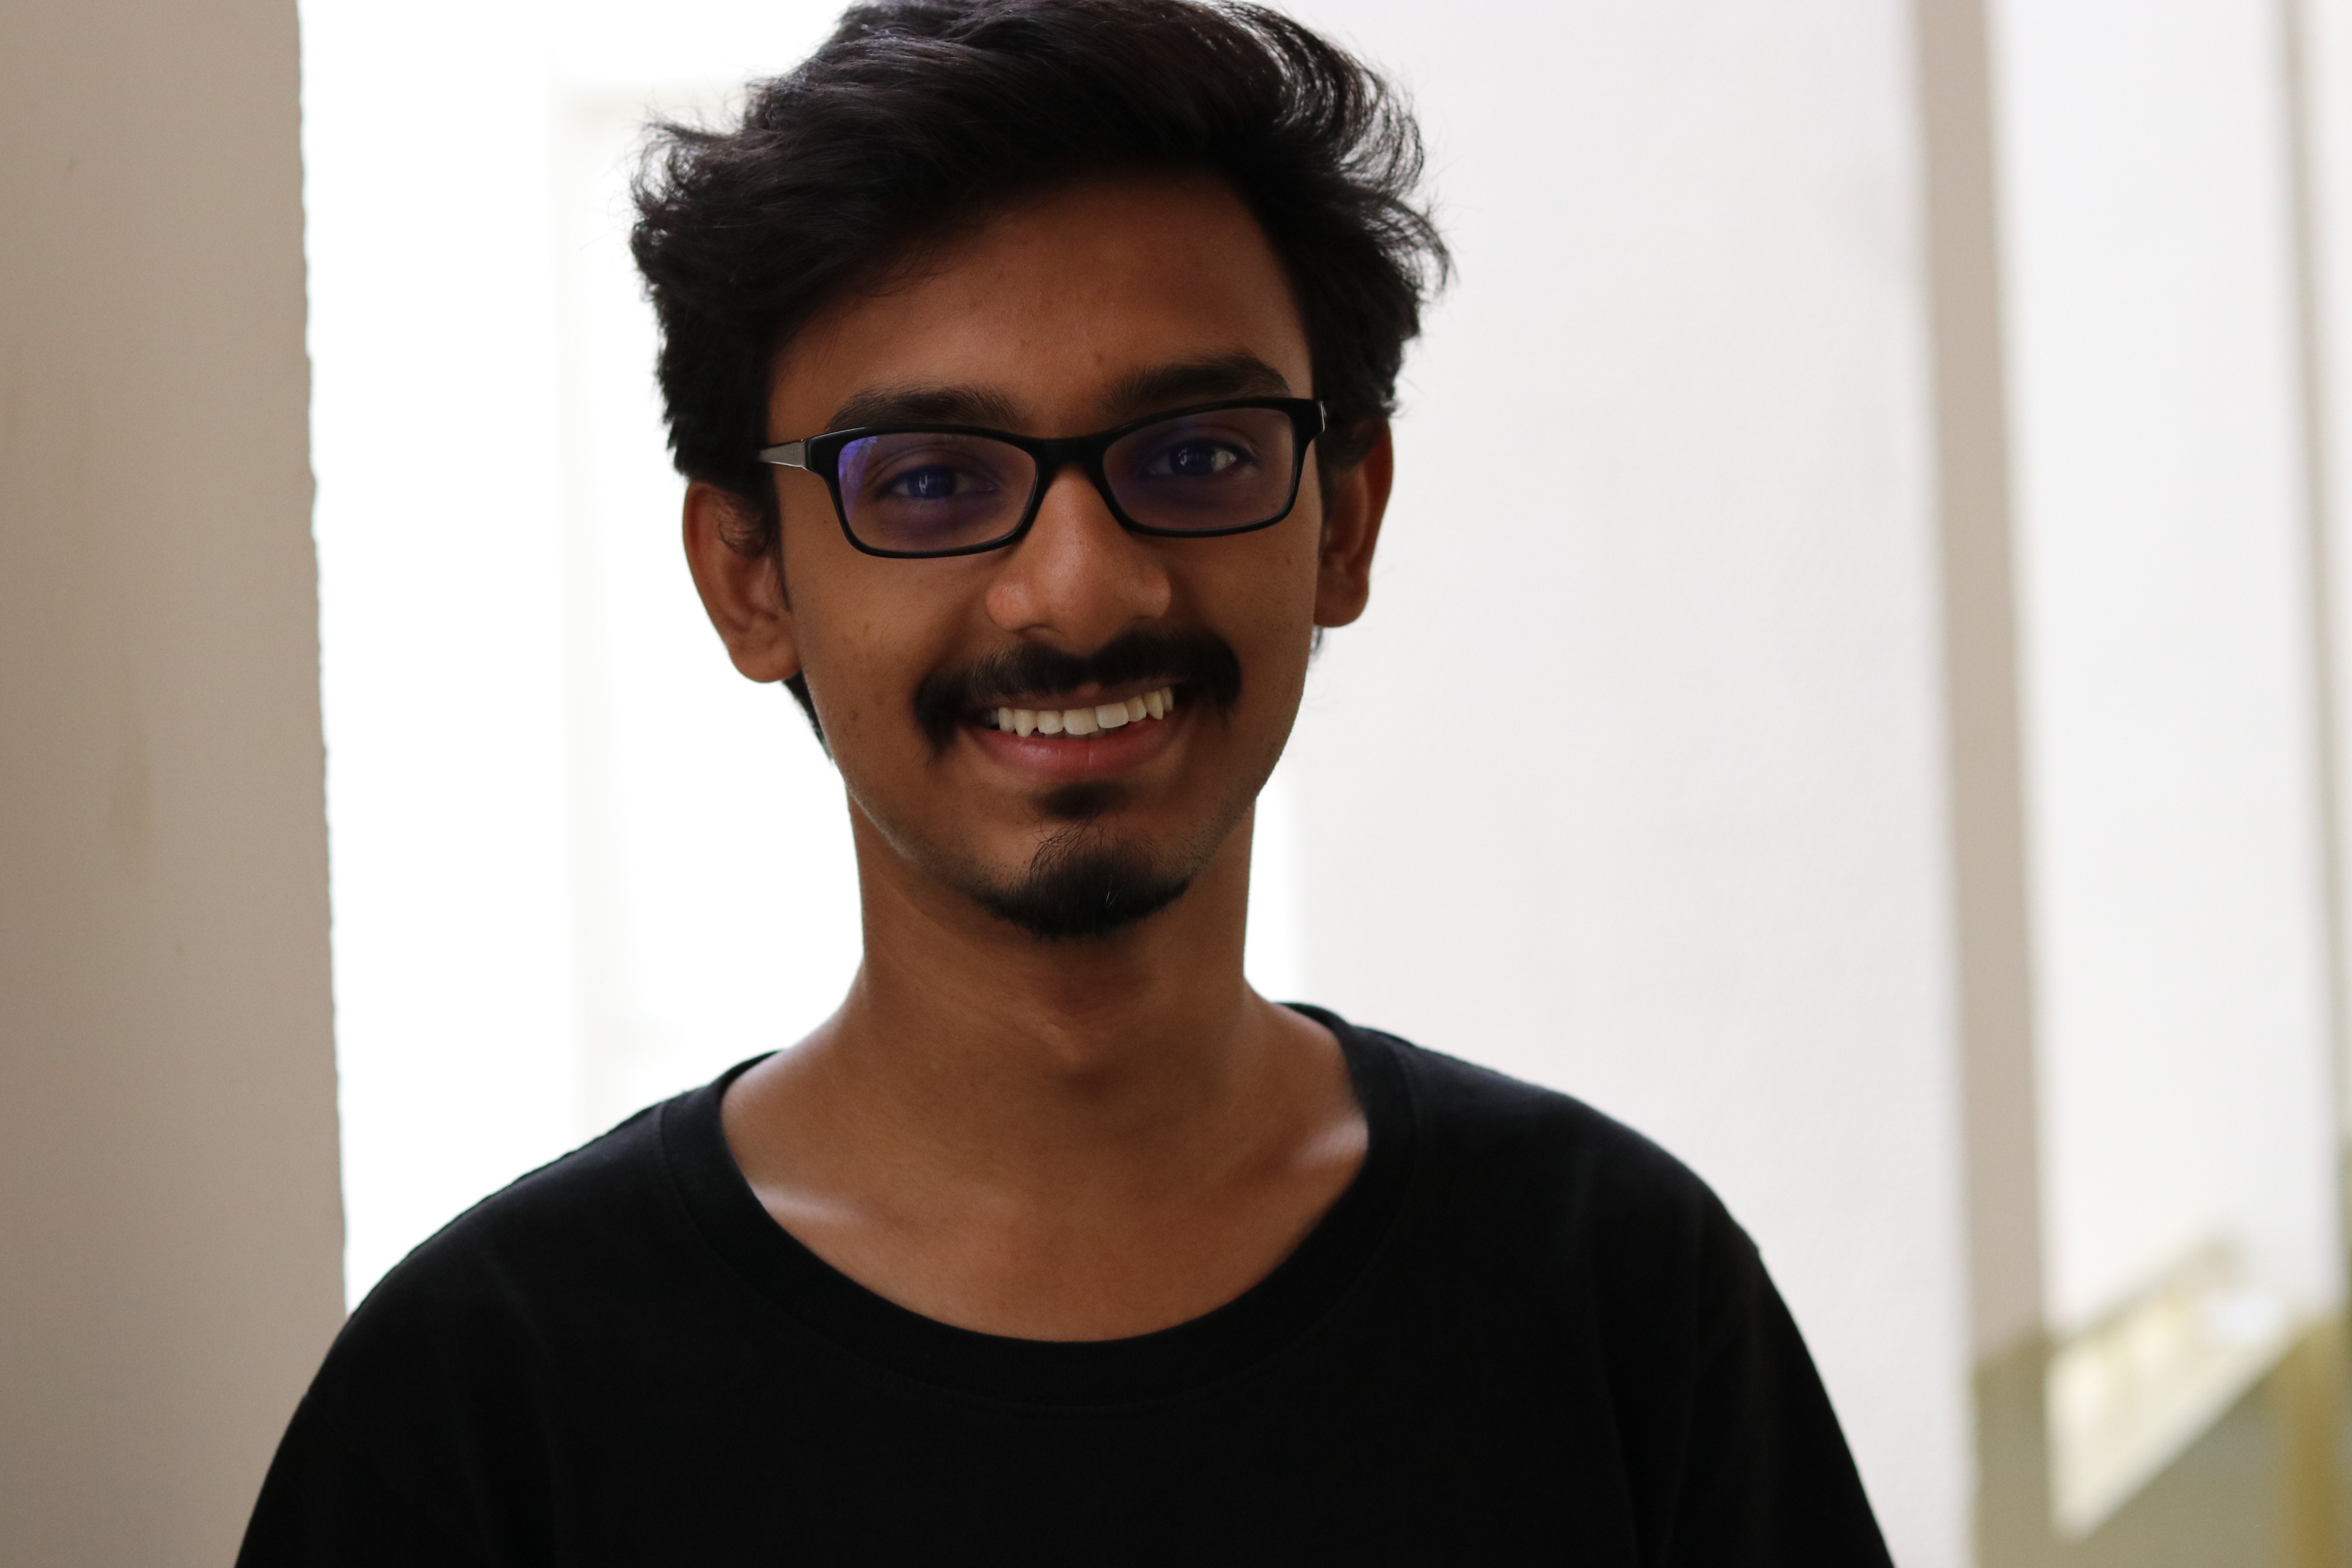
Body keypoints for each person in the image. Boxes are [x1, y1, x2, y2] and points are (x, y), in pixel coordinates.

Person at [239, 2, 1892, 1562]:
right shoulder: (490, 1398)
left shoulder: (1616, 1300)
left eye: (1197, 455)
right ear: (749, 574)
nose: (1082, 592)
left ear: (1342, 517)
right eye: (930, 480)